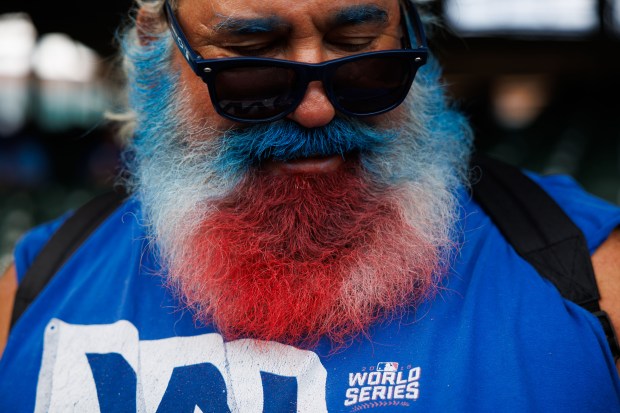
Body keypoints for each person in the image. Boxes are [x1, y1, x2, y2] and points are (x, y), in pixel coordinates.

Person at [1, 0, 619, 411]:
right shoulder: (38, 283)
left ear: (415, 42)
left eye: (359, 46)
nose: (316, 108)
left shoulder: (593, 280)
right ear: (156, 50)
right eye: (250, 58)